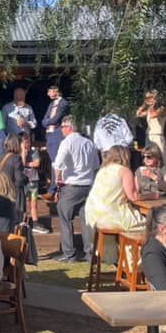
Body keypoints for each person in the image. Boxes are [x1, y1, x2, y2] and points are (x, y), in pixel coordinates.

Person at [84, 145, 145, 264]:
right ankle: (133, 264)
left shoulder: (103, 169)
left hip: (93, 215)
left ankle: (123, 262)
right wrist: (150, 195)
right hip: (112, 215)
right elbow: (133, 197)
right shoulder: (124, 171)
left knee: (131, 229)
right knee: (146, 228)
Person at [52, 116, 100, 262]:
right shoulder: (89, 143)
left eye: (62, 127)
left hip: (72, 185)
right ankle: (90, 253)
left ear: (69, 127)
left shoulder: (67, 142)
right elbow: (96, 165)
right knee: (87, 221)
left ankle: (69, 254)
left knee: (65, 219)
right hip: (88, 186)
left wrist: (57, 180)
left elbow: (58, 164)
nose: (61, 130)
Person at [0, 134, 27, 223]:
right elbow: (19, 180)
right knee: (16, 222)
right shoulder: (16, 158)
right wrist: (26, 178)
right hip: (14, 195)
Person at [135, 89, 166, 164]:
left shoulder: (162, 109)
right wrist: (144, 104)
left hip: (157, 136)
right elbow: (138, 114)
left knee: (160, 157)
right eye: (147, 98)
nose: (149, 100)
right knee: (149, 157)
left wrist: (152, 106)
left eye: (151, 98)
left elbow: (154, 115)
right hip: (149, 136)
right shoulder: (149, 110)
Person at [41, 84, 70, 164]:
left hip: (58, 135)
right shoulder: (51, 104)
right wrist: (48, 122)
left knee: (58, 160)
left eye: (49, 91)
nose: (48, 94)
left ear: (56, 91)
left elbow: (55, 119)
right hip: (49, 134)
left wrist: (48, 122)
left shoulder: (64, 103)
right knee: (52, 161)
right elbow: (43, 121)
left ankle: (58, 176)